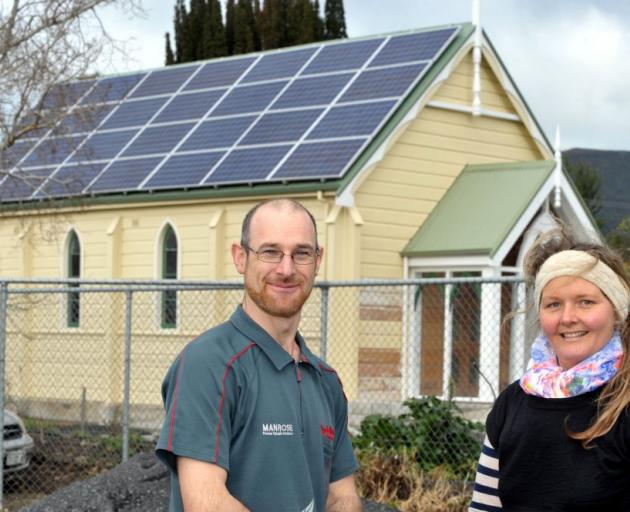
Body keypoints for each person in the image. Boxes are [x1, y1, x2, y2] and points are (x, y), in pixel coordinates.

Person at [156, 198, 362, 512]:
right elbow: (207, 502)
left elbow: (341, 496)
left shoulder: (325, 381)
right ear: (241, 258)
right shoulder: (209, 364)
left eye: (301, 253)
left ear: (318, 260)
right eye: (270, 252)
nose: (287, 268)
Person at [469, 228, 630, 512]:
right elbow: (485, 507)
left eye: (586, 302)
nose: (568, 318)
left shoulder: (623, 404)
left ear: (616, 310)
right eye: (553, 304)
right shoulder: (510, 405)